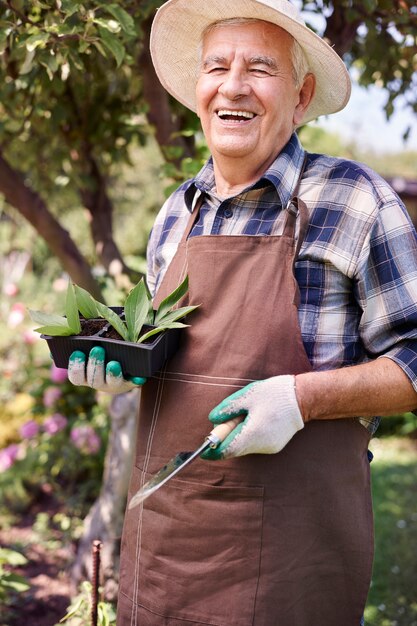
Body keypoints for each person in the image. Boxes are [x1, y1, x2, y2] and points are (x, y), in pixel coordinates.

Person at [68, 1, 417, 624]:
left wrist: (300, 399)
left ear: (301, 95)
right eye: (216, 67)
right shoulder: (178, 212)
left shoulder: (355, 200)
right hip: (166, 551)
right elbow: (176, 356)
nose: (233, 85)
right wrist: (123, 366)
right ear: (199, 90)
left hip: (295, 562)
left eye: (260, 67)